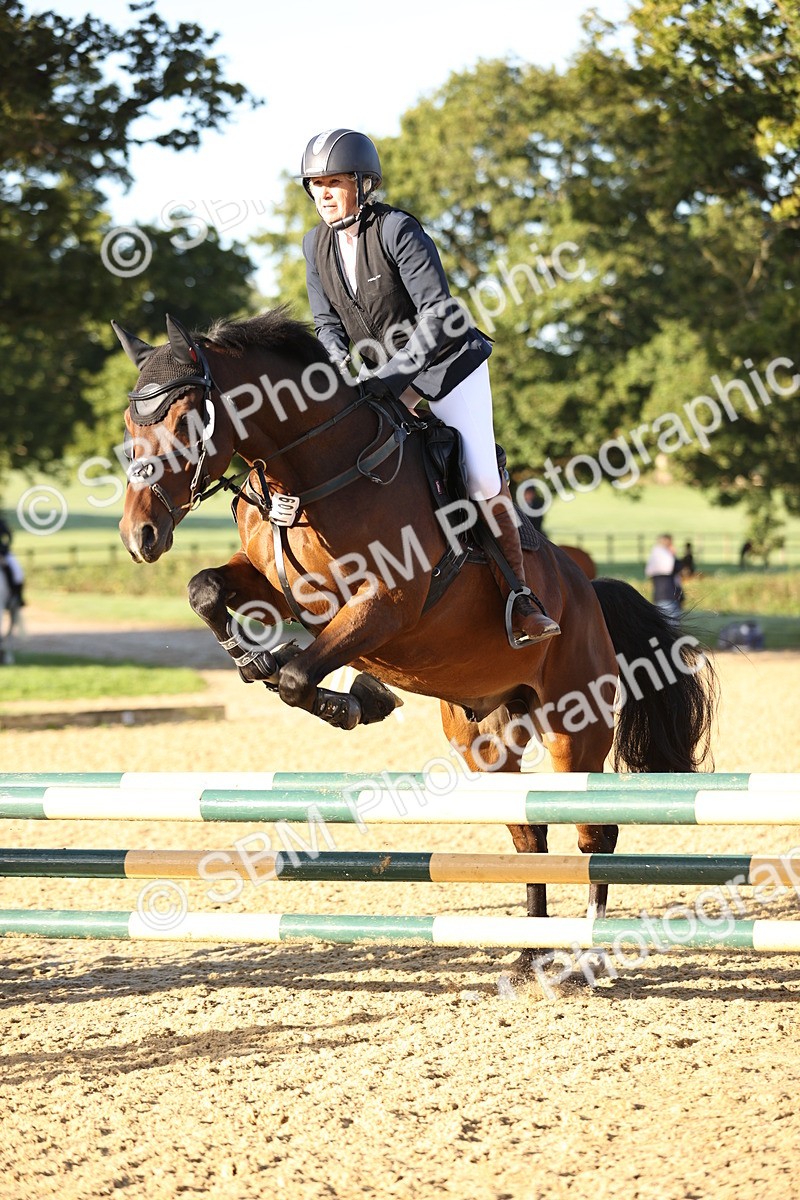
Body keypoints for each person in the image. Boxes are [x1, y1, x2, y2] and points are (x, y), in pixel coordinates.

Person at [299, 128, 559, 646]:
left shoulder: (397, 229)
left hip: (447, 367)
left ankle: (521, 600)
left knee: (481, 479)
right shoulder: (315, 244)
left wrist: (392, 380)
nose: (323, 194)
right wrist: (341, 375)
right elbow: (326, 325)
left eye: (333, 182)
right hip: (378, 381)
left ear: (363, 182)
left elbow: (439, 314)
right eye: (315, 184)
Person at [644, 534, 681, 619]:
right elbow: (677, 567)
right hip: (667, 594)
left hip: (661, 595)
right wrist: (673, 555)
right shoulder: (664, 556)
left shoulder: (655, 556)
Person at [0, 514, 24, 610]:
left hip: (2, 553)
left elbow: (9, 536)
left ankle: (17, 597)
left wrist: (4, 550)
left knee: (17, 571)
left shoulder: (1, 522)